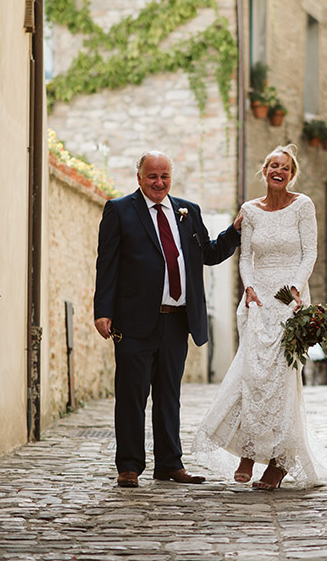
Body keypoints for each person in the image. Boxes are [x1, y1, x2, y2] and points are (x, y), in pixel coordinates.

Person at [192, 144, 327, 490]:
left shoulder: (303, 206)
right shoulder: (250, 210)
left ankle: (279, 462)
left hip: (288, 299)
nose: (279, 171)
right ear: (264, 170)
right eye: (273, 165)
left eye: (285, 168)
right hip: (257, 299)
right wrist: (248, 288)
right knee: (252, 375)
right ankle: (247, 449)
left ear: (292, 174)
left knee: (281, 381)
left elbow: (311, 252)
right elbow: (245, 258)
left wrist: (296, 289)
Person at [93, 151, 242, 488]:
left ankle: (169, 464)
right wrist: (102, 310)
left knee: (169, 395)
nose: (158, 183)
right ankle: (129, 466)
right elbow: (107, 264)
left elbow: (208, 253)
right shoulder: (119, 210)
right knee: (131, 395)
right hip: (133, 321)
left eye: (164, 177)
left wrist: (233, 231)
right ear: (139, 177)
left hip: (176, 320)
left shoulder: (187, 211)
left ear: (170, 177)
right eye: (152, 177)